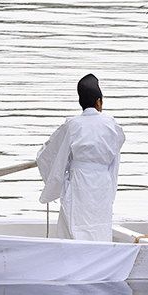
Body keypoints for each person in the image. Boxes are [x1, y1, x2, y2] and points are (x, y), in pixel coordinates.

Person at [37, 74, 125, 241]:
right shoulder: (111, 124)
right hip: (102, 183)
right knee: (99, 223)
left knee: (74, 222)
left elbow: (49, 154)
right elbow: (116, 149)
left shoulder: (73, 124)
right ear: (99, 101)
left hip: (79, 181)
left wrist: (59, 181)